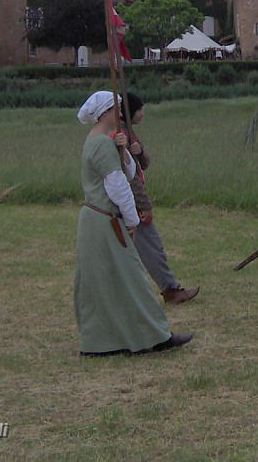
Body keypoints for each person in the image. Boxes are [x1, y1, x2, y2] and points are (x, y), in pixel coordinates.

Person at [74, 91, 193, 356]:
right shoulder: (100, 144)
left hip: (98, 221)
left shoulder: (101, 140)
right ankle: (154, 337)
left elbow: (129, 171)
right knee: (130, 280)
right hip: (105, 221)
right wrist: (132, 220)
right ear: (105, 112)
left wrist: (122, 149)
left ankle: (107, 341)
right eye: (116, 107)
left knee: (109, 282)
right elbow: (118, 187)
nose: (120, 112)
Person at [121, 92, 199, 305]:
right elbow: (130, 178)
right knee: (152, 247)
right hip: (132, 203)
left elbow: (144, 164)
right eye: (139, 110)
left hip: (130, 203)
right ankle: (171, 290)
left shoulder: (129, 134)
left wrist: (140, 151)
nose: (143, 113)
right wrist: (144, 205)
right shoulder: (120, 136)